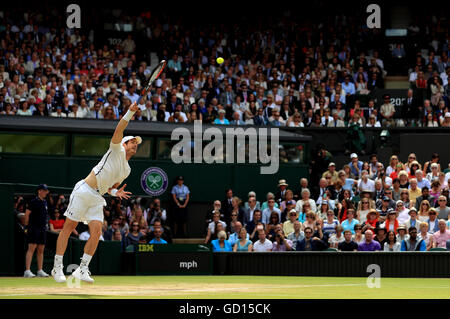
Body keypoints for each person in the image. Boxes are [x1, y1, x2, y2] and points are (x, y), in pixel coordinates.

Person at [52, 102, 141, 283]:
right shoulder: (116, 148)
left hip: (97, 197)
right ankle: (57, 267)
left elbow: (110, 187)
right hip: (84, 190)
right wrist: (130, 112)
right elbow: (120, 128)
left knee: (96, 231)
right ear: (123, 144)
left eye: (136, 144)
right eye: (132, 142)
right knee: (69, 227)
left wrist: (116, 193)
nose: (135, 145)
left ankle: (82, 269)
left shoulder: (127, 170)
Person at [24, 184, 51, 278]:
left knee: (41, 250)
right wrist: (26, 227)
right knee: (31, 248)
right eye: (44, 190)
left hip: (42, 229)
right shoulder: (33, 202)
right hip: (33, 228)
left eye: (46, 191)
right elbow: (26, 215)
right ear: (39, 191)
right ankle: (27, 271)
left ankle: (40, 270)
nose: (46, 192)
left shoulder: (45, 202)